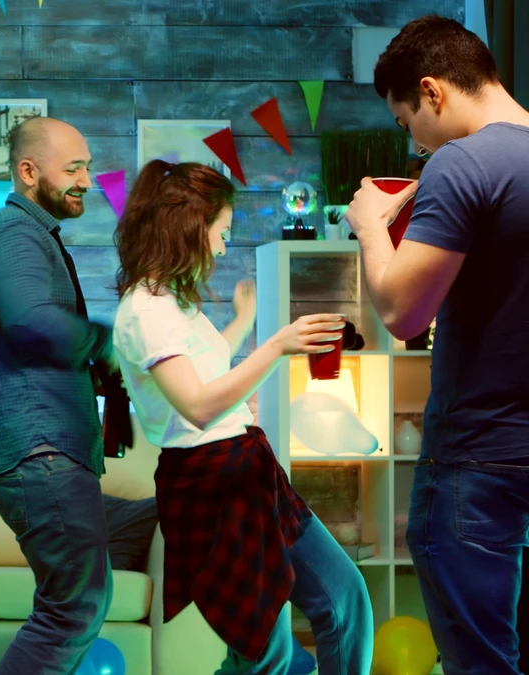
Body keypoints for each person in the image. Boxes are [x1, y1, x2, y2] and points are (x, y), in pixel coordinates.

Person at [111, 159, 375, 673]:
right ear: (190, 228)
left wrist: (243, 324)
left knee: (345, 598)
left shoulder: (172, 301)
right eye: (222, 232)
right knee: (264, 654)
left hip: (248, 469)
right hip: (211, 487)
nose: (222, 246)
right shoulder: (145, 310)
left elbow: (203, 373)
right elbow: (198, 405)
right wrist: (275, 346)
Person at [349, 15, 529, 673]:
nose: (416, 145)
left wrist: (370, 226)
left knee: (481, 661)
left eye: (406, 125)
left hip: (477, 459)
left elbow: (400, 311)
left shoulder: (463, 161)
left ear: (432, 92)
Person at [0, 116, 116, 674]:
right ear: (28, 172)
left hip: (48, 448)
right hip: (37, 449)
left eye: (89, 168)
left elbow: (40, 340)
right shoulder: (9, 233)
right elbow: (30, 325)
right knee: (74, 606)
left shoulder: (33, 236)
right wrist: (107, 340)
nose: (88, 181)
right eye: (73, 168)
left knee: (77, 598)